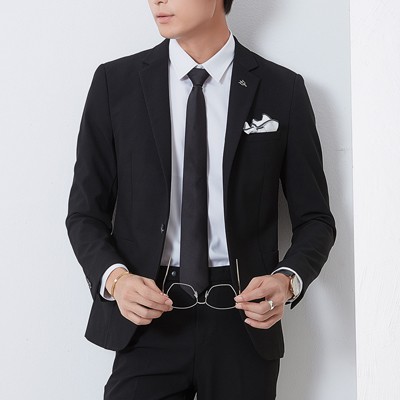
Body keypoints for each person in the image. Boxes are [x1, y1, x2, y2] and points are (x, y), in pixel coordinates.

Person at [66, 0, 336, 398]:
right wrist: (117, 281)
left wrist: (286, 281)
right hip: (148, 318)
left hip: (244, 320)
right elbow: (84, 214)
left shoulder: (282, 89)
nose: (157, 0)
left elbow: (315, 219)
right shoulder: (115, 83)